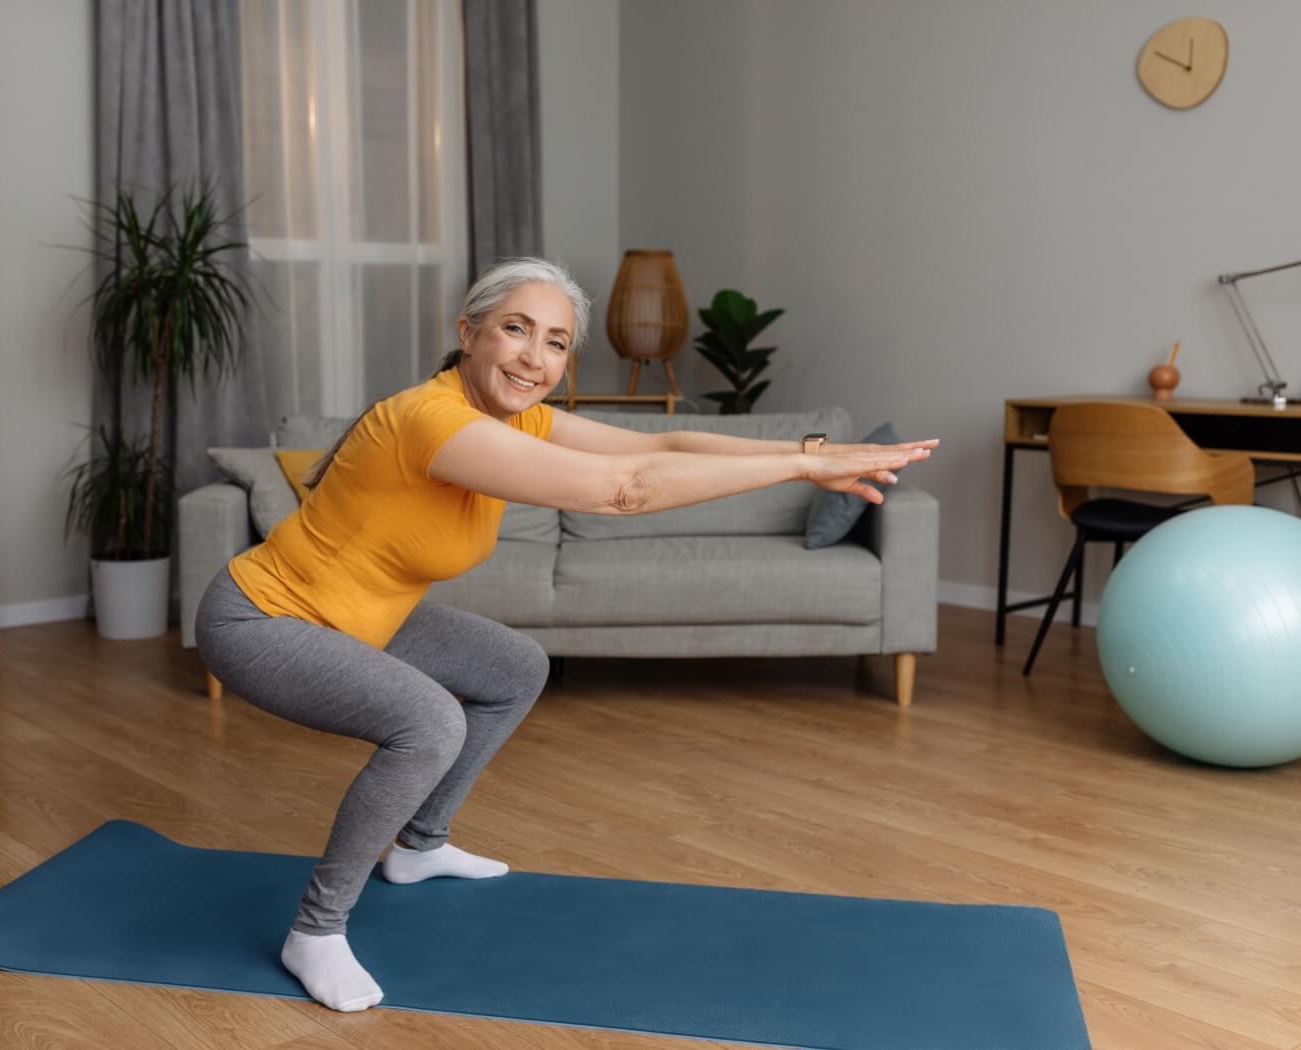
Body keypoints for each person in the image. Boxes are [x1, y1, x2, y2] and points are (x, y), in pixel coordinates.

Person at [194, 257, 937, 1013]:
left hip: (364, 618)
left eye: (555, 343)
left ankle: (418, 847)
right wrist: (800, 473)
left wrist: (811, 455)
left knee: (513, 666)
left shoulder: (521, 417)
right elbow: (626, 489)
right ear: (470, 333)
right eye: (516, 330)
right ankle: (316, 932)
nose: (534, 358)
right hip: (263, 618)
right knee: (428, 722)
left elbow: (666, 449)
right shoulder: (433, 420)